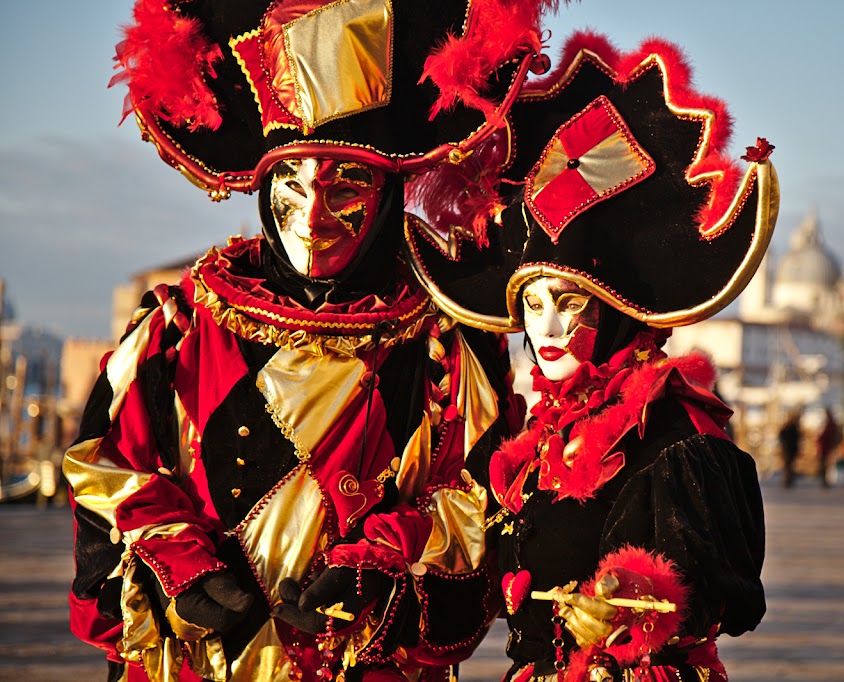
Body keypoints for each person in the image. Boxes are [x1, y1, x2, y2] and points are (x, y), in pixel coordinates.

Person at [63, 2, 546, 680]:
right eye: (291, 183)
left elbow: (480, 502)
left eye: (345, 185)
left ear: (387, 193)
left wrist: (382, 569)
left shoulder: (442, 339)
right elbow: (105, 471)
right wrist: (176, 563)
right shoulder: (179, 327)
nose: (313, 216)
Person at [404, 33, 779, 682]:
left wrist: (632, 605)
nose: (545, 327)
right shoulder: (540, 441)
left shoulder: (673, 435)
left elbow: (712, 585)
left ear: (615, 311)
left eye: (569, 303)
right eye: (532, 304)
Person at [816, 408, 841, 488]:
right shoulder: (831, 424)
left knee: (827, 465)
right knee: (827, 465)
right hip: (826, 448)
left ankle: (827, 481)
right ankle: (826, 481)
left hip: (826, 448)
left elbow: (826, 436)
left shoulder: (829, 425)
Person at [778, 410, 803, 489]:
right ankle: (789, 480)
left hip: (788, 449)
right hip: (790, 449)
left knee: (788, 465)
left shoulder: (789, 427)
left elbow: (781, 435)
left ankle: (788, 480)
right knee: (789, 465)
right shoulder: (794, 427)